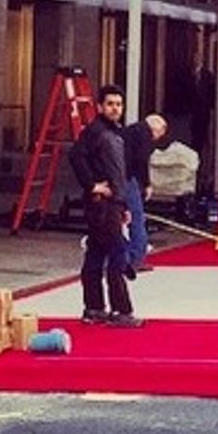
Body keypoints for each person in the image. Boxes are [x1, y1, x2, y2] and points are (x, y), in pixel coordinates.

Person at [68, 84, 141, 327]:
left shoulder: (113, 133)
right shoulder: (96, 131)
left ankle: (94, 307)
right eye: (110, 104)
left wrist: (123, 205)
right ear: (100, 106)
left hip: (111, 203)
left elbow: (118, 173)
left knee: (97, 253)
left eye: (118, 104)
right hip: (102, 204)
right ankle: (121, 310)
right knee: (118, 253)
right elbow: (75, 156)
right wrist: (92, 186)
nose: (115, 108)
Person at [120, 111, 168, 276]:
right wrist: (146, 184)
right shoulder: (144, 135)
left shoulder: (129, 131)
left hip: (115, 175)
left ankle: (122, 257)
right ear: (157, 129)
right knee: (137, 218)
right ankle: (136, 259)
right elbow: (141, 161)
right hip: (127, 177)